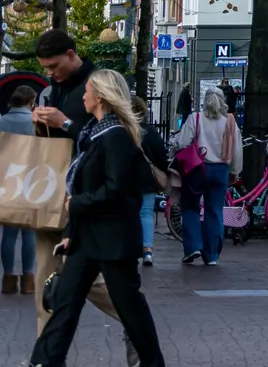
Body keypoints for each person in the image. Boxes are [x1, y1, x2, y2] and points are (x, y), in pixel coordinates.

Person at [27, 70, 167, 367]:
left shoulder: (115, 136)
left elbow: (116, 190)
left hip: (113, 240)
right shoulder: (96, 131)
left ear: (100, 97)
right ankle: (44, 361)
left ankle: (152, 362)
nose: (83, 95)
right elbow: (86, 164)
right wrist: (70, 231)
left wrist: (76, 203)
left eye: (88, 90)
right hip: (87, 239)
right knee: (65, 303)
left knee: (130, 308)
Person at [31, 31, 97, 332]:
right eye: (45, 67)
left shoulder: (98, 84)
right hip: (50, 189)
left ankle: (134, 325)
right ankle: (45, 355)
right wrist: (42, 122)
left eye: (54, 65)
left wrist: (64, 123)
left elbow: (107, 139)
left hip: (81, 194)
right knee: (44, 273)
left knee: (87, 275)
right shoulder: (53, 88)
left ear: (71, 54)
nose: (50, 73)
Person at [171, 88, 240, 266]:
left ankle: (193, 246)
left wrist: (174, 147)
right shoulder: (230, 121)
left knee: (190, 207)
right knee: (214, 210)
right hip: (220, 170)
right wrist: (234, 171)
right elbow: (237, 150)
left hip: (197, 169)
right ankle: (212, 255)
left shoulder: (196, 118)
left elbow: (183, 142)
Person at [0, 84, 36, 294]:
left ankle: (8, 278)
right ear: (31, 101)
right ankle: (29, 279)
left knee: (9, 234)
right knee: (29, 233)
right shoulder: (35, 122)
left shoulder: (1, 122)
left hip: (7, 181)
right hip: (32, 181)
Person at [135, 117, 169, 269]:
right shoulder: (152, 131)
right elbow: (162, 156)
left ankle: (132, 251)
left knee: (129, 214)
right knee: (147, 214)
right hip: (149, 178)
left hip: (128, 178)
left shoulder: (124, 130)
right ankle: (147, 251)